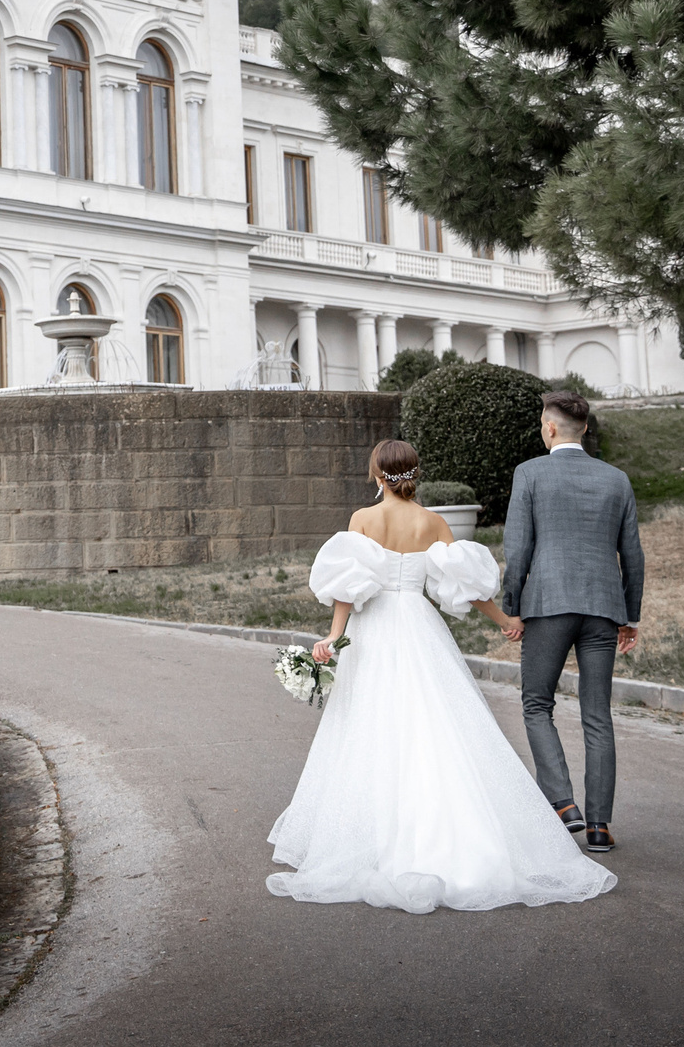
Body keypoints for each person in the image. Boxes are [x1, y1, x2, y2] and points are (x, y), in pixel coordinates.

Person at [265, 439, 618, 914]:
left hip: (376, 631)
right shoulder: (432, 523)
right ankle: (452, 831)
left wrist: (332, 638)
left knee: (371, 728)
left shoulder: (363, 521)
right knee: (435, 726)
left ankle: (374, 834)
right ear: (415, 473)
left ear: (376, 474)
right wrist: (505, 620)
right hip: (419, 625)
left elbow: (347, 588)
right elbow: (463, 584)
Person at [502, 390, 645, 855]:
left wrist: (511, 606)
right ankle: (600, 826)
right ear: (583, 430)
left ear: (549, 428)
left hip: (547, 605)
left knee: (537, 704)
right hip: (604, 608)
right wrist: (631, 615)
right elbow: (633, 555)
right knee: (597, 715)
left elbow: (517, 550)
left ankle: (564, 805)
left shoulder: (529, 474)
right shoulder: (616, 479)